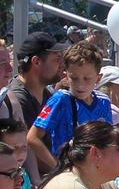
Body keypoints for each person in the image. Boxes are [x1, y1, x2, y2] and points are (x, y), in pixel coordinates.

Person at [28, 40, 111, 177]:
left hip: (96, 173)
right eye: (74, 78)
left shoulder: (104, 102)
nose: (80, 85)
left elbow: (108, 140)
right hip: (69, 173)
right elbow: (32, 137)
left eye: (87, 79)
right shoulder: (61, 100)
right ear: (66, 76)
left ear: (98, 78)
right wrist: (58, 167)